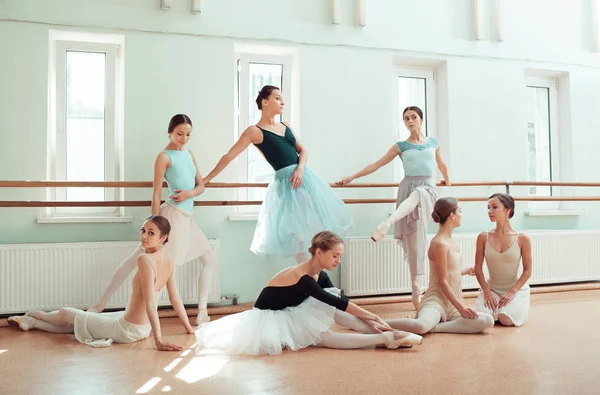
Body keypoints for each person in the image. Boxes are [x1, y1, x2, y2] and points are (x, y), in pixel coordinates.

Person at [195, 231, 423, 355]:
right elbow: (330, 299)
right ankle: (384, 338)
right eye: (335, 256)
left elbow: (338, 303)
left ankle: (386, 331)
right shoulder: (302, 276)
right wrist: (370, 314)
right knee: (325, 338)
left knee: (335, 310)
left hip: (293, 309)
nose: (338, 260)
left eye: (340, 256)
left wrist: (371, 318)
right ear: (319, 252)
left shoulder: (319, 273)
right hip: (270, 318)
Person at [88, 114, 216, 326]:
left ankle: (202, 312)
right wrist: (156, 225)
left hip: (188, 218)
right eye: (179, 134)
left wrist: (189, 194)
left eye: (188, 135)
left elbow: (201, 186)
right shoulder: (164, 157)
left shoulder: (189, 153)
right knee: (143, 263)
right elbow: (156, 192)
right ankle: (102, 303)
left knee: (209, 259)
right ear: (170, 132)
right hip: (171, 217)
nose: (184, 138)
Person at [203, 85, 353, 264]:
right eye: (277, 98)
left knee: (314, 230)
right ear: (265, 102)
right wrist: (206, 180)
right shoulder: (255, 131)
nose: (282, 102)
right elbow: (229, 156)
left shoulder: (285, 125)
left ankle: (314, 280)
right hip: (287, 183)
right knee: (299, 235)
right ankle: (307, 280)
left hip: (304, 177)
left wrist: (300, 169)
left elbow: (303, 150)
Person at [8, 216, 194, 351]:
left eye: (151, 233)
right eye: (143, 230)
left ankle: (35, 314)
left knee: (66, 312)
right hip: (140, 328)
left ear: (163, 238)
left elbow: (150, 303)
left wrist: (159, 340)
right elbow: (175, 297)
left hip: (127, 329)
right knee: (81, 321)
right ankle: (31, 322)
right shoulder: (169, 259)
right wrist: (188, 328)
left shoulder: (145, 260)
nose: (144, 236)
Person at [337, 106, 450, 310]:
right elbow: (377, 164)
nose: (410, 121)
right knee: (414, 242)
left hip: (428, 189)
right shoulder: (401, 146)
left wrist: (447, 181)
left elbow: (441, 164)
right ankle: (416, 294)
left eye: (413, 117)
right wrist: (351, 177)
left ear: (421, 120)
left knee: (421, 193)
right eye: (406, 118)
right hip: (407, 190)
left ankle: (389, 221)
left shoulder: (433, 143)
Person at [385, 198, 494, 334]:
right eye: (460, 211)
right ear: (452, 215)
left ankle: (435, 327)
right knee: (421, 326)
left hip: (453, 305)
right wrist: (462, 309)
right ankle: (377, 323)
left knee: (487, 320)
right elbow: (442, 281)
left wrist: (465, 271)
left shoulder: (450, 241)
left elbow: (448, 272)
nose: (462, 214)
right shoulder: (440, 243)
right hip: (436, 301)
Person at [474, 193, 532, 326]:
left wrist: (512, 292)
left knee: (505, 319)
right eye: (488, 208)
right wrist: (486, 291)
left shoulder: (523, 238)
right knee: (484, 319)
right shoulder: (483, 237)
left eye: (494, 207)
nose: (490, 211)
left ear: (508, 210)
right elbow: (477, 268)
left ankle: (518, 304)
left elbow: (527, 271)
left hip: (514, 289)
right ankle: (496, 306)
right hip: (492, 289)